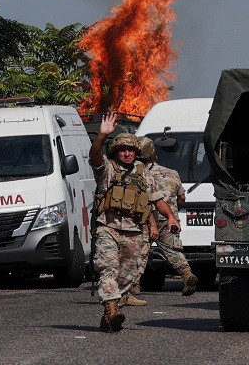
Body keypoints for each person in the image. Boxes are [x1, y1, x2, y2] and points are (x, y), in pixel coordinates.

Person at [89, 113, 180, 333]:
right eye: (122, 150)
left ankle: (110, 314)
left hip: (135, 232)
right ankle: (111, 308)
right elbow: (94, 157)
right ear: (115, 152)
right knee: (108, 269)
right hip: (108, 228)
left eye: (131, 150)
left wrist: (170, 217)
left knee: (127, 278)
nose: (127, 153)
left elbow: (156, 199)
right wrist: (101, 136)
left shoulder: (144, 174)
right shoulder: (107, 169)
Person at [132, 136, 200, 298]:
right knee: (173, 250)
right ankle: (187, 274)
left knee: (139, 251)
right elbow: (181, 198)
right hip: (168, 219)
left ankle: (134, 285)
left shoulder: (135, 174)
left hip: (143, 218)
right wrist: (172, 214)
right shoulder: (172, 173)